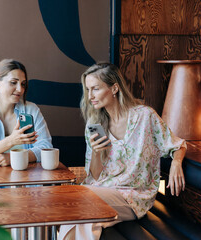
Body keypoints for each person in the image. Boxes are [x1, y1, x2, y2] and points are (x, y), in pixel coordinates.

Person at [58, 63, 187, 240]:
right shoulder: (94, 124)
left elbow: (177, 144)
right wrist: (96, 152)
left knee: (78, 200)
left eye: (95, 89)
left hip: (134, 195)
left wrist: (176, 162)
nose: (90, 96)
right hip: (102, 190)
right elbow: (94, 176)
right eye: (88, 90)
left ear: (114, 88)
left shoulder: (145, 116)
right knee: (84, 217)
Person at [0, 59, 52, 166]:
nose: (20, 89)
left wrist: (14, 158)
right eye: (13, 82)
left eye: (23, 84)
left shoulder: (31, 110)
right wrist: (11, 141)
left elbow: (46, 147)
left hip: (29, 181)